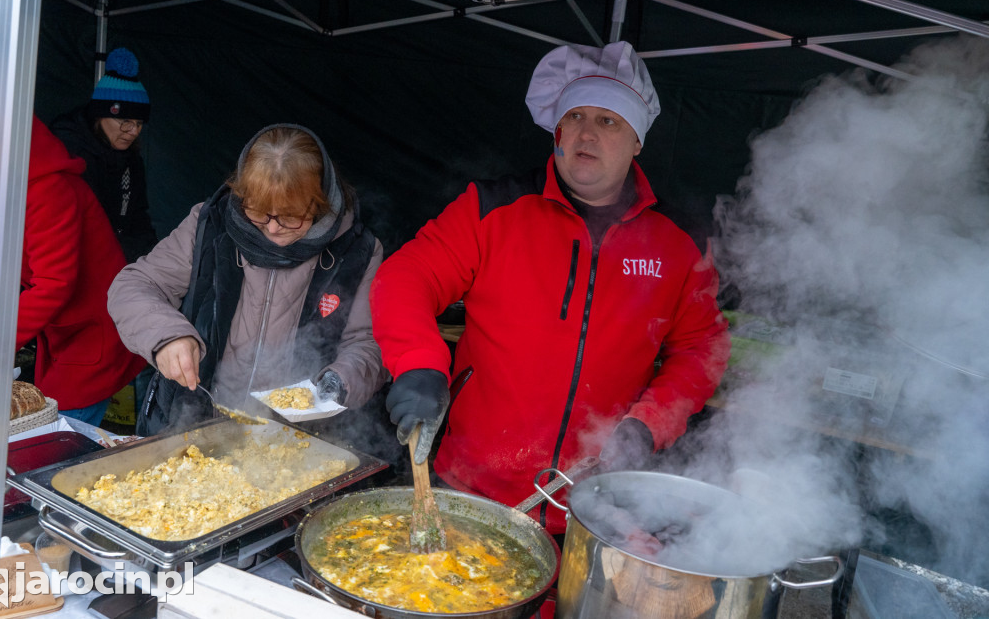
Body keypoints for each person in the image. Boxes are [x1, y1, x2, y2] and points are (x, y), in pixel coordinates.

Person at [369, 41, 732, 536]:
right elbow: (406, 276)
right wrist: (418, 363)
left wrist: (649, 424)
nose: (587, 132)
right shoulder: (494, 209)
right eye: (576, 115)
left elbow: (701, 347)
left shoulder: (680, 241)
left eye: (609, 121)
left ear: (637, 141)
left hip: (595, 506)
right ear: (556, 129)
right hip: (470, 490)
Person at [107, 124, 387, 436]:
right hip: (193, 423)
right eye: (258, 211)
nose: (273, 228)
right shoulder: (211, 226)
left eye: (291, 216)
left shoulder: (357, 251)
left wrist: (341, 380)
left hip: (295, 440)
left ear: (320, 202)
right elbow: (133, 285)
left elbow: (368, 342)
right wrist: (167, 336)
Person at [0, 69, 146, 426]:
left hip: (95, 335)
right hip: (60, 333)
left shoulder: (46, 188)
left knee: (56, 434)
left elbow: (54, 284)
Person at [50, 47, 157, 264]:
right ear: (100, 116)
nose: (133, 131)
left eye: (138, 124)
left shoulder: (130, 159)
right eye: (125, 122)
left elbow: (138, 218)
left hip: (118, 263)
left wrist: (149, 261)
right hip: (76, 262)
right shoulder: (69, 153)